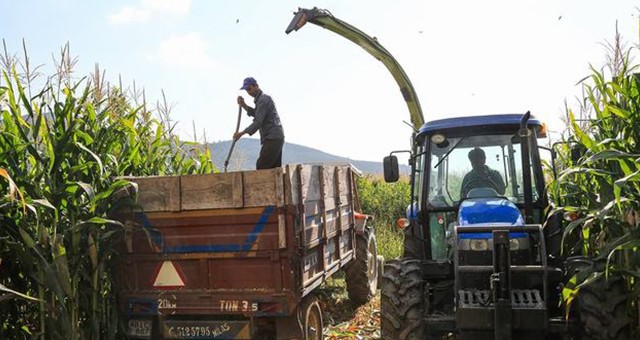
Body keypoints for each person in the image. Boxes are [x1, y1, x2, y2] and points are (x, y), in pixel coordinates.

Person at [233, 77, 285, 169]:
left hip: (272, 137)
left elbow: (258, 122)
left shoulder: (263, 99)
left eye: (249, 89)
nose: (249, 92)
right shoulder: (260, 100)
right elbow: (257, 114)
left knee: (262, 166)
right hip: (276, 137)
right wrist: (244, 105)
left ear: (256, 86)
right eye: (246, 90)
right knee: (273, 168)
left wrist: (241, 133)